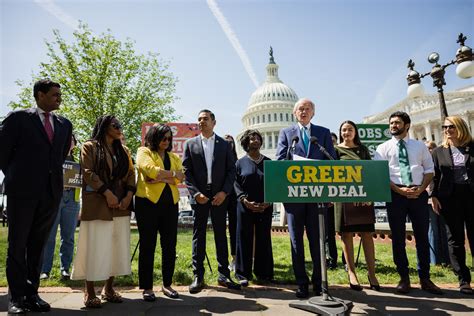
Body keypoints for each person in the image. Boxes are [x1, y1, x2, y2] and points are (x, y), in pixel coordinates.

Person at [0, 79, 72, 314]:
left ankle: (32, 294)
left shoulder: (64, 124)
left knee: (37, 245)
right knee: (17, 244)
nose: (59, 98)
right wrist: (17, 177)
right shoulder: (18, 118)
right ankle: (16, 297)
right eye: (54, 94)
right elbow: (3, 153)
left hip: (51, 193)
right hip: (22, 193)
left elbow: (59, 156)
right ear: (40, 95)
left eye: (60, 95)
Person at [71, 115, 136, 308]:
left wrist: (128, 197)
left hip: (121, 206)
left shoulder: (123, 150)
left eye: (120, 125)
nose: (119, 128)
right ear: (104, 127)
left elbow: (131, 174)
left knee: (115, 247)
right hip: (98, 204)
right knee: (95, 246)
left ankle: (109, 288)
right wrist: (107, 193)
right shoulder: (89, 147)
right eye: (115, 125)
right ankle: (89, 291)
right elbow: (89, 173)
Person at [374, 111, 442, 295]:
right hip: (395, 195)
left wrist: (421, 190)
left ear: (407, 125)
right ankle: (404, 278)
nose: (393, 126)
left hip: (418, 194)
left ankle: (425, 279)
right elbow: (381, 174)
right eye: (391, 123)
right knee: (398, 238)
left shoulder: (419, 147)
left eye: (397, 123)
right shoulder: (382, 149)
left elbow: (429, 170)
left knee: (422, 237)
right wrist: (399, 190)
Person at [275, 98, 336, 298]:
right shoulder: (286, 133)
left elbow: (331, 161)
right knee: (296, 242)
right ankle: (301, 283)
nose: (304, 111)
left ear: (313, 113)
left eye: (307, 109)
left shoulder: (323, 133)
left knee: (317, 241)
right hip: (294, 197)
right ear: (295, 112)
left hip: (317, 197)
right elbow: (280, 160)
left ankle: (319, 283)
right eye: (300, 108)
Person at [182, 109, 241, 293]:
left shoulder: (224, 145)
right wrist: (195, 193)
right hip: (199, 196)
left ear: (214, 122)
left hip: (219, 197)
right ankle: (198, 276)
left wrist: (224, 192)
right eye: (199, 119)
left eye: (205, 119)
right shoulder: (190, 144)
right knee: (198, 235)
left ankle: (224, 275)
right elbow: (187, 171)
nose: (201, 122)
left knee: (220, 236)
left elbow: (231, 171)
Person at [135, 124, 185, 301]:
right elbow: (149, 170)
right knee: (148, 245)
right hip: (147, 204)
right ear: (154, 137)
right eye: (163, 138)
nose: (167, 141)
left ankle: (167, 284)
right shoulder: (144, 151)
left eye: (169, 138)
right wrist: (171, 176)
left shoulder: (173, 156)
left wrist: (160, 176)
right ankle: (147, 287)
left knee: (169, 246)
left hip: (170, 205)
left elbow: (182, 176)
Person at [334, 120, 380, 291]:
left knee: (367, 234)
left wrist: (370, 194)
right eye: (344, 130)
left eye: (350, 129)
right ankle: (352, 273)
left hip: (362, 195)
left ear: (355, 132)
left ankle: (372, 273)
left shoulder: (363, 150)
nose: (347, 132)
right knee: (346, 235)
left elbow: (370, 171)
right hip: (343, 198)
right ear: (340, 132)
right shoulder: (336, 150)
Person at [431, 116, 473, 294]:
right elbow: (434, 176)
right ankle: (463, 279)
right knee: (455, 239)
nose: (447, 130)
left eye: (451, 127)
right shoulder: (439, 151)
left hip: (472, 196)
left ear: (461, 128)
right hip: (449, 198)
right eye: (445, 127)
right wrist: (433, 195)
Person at [234, 129, 274, 286]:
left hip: (265, 206)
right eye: (252, 139)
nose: (255, 140)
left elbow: (274, 184)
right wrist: (244, 200)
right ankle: (243, 273)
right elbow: (236, 184)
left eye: (258, 138)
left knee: (264, 238)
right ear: (246, 143)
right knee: (244, 238)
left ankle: (264, 273)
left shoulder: (269, 162)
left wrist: (268, 201)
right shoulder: (239, 163)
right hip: (245, 206)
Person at [41, 134, 81, 281]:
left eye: (71, 140)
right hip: (55, 199)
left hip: (72, 200)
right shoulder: (54, 157)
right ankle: (45, 270)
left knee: (68, 237)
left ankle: (65, 269)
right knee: (49, 236)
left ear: (75, 144)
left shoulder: (79, 162)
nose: (69, 141)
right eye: (66, 139)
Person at [425, 141, 450, 267]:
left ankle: (447, 259)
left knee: (445, 230)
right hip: (429, 201)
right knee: (433, 229)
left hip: (443, 199)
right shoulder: (423, 163)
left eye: (432, 148)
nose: (430, 150)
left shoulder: (441, 161)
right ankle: (435, 261)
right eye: (428, 148)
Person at [224, 134, 238, 272]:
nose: (229, 144)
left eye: (231, 142)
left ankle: (235, 257)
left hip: (234, 198)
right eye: (226, 142)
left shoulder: (237, 161)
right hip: (222, 196)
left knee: (234, 229)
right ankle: (223, 259)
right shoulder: (219, 159)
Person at [326, 132, 339, 269]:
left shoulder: (339, 156)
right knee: (328, 233)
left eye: (333, 141)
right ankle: (331, 259)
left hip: (341, 201)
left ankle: (346, 260)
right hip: (328, 202)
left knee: (345, 233)